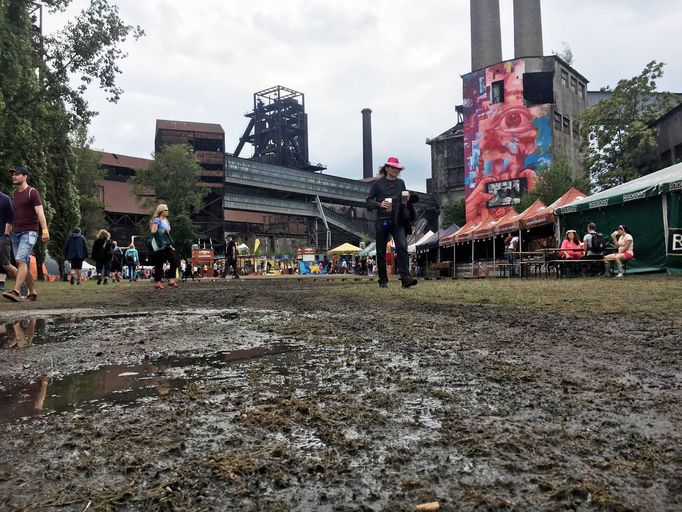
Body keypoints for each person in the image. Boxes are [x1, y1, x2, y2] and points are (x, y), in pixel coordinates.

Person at [366, 156, 418, 288]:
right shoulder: (378, 184)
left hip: (397, 220)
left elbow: (404, 201)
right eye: (393, 168)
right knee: (381, 251)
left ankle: (405, 278)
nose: (396, 170)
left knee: (402, 246)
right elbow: (369, 201)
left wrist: (407, 199)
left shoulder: (401, 183)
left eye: (397, 168)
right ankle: (383, 280)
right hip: (383, 220)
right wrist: (379, 204)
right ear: (387, 168)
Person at [2, 166, 49, 302]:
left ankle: (16, 292)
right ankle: (32, 293)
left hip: (30, 232)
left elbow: (40, 212)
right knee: (24, 264)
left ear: (25, 176)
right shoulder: (15, 193)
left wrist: (44, 230)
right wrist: (8, 231)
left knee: (20, 260)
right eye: (12, 175)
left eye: (17, 174)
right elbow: (13, 215)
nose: (14, 177)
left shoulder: (32, 192)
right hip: (16, 232)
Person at [149, 203, 177, 290]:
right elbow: (153, 231)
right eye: (166, 210)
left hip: (167, 244)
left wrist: (170, 245)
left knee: (174, 260)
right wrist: (162, 230)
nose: (167, 211)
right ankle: (158, 282)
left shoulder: (167, 221)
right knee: (159, 263)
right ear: (161, 211)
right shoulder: (157, 220)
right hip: (160, 244)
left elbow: (168, 235)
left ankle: (171, 279)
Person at [0, 187, 17, 291]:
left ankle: (23, 283)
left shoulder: (5, 199)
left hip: (2, 236)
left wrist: (5, 235)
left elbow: (10, 219)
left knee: (6, 264)